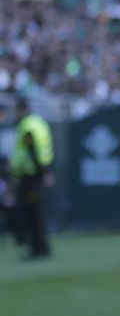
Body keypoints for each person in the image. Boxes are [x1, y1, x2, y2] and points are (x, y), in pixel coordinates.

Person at [9, 96, 53, 259]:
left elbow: (32, 151)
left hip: (30, 177)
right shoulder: (38, 122)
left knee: (31, 213)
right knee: (35, 213)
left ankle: (37, 247)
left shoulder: (27, 126)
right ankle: (40, 246)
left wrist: (43, 172)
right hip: (35, 175)